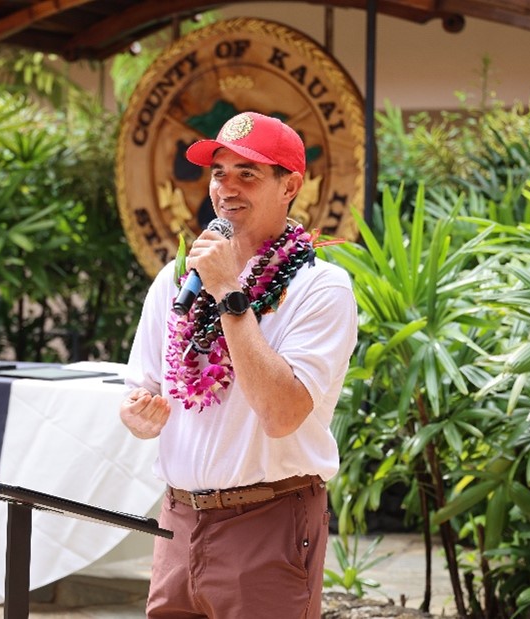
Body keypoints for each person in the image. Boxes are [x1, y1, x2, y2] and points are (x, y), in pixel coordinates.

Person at [120, 111, 358, 618]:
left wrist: (229, 290)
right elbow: (140, 392)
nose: (227, 187)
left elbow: (280, 414)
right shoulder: (175, 281)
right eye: (218, 172)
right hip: (179, 520)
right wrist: (138, 415)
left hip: (267, 521)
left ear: (289, 186)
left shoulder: (321, 287)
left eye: (247, 173)